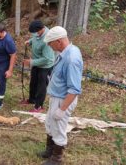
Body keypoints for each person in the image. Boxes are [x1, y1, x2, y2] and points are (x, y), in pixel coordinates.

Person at [39, 26, 83, 165]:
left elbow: (74, 89)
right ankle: (49, 151)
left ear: (58, 41)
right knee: (50, 124)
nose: (49, 46)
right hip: (56, 97)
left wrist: (62, 109)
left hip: (63, 99)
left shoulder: (71, 59)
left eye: (50, 43)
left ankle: (56, 159)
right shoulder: (65, 51)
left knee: (58, 128)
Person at [21, 20, 54, 113]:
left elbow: (47, 59)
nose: (34, 35)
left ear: (41, 29)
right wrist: (30, 41)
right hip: (36, 63)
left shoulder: (47, 40)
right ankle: (32, 99)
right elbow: (34, 38)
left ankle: (39, 106)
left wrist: (31, 62)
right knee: (33, 82)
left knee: (41, 86)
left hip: (45, 66)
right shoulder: (37, 32)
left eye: (36, 33)